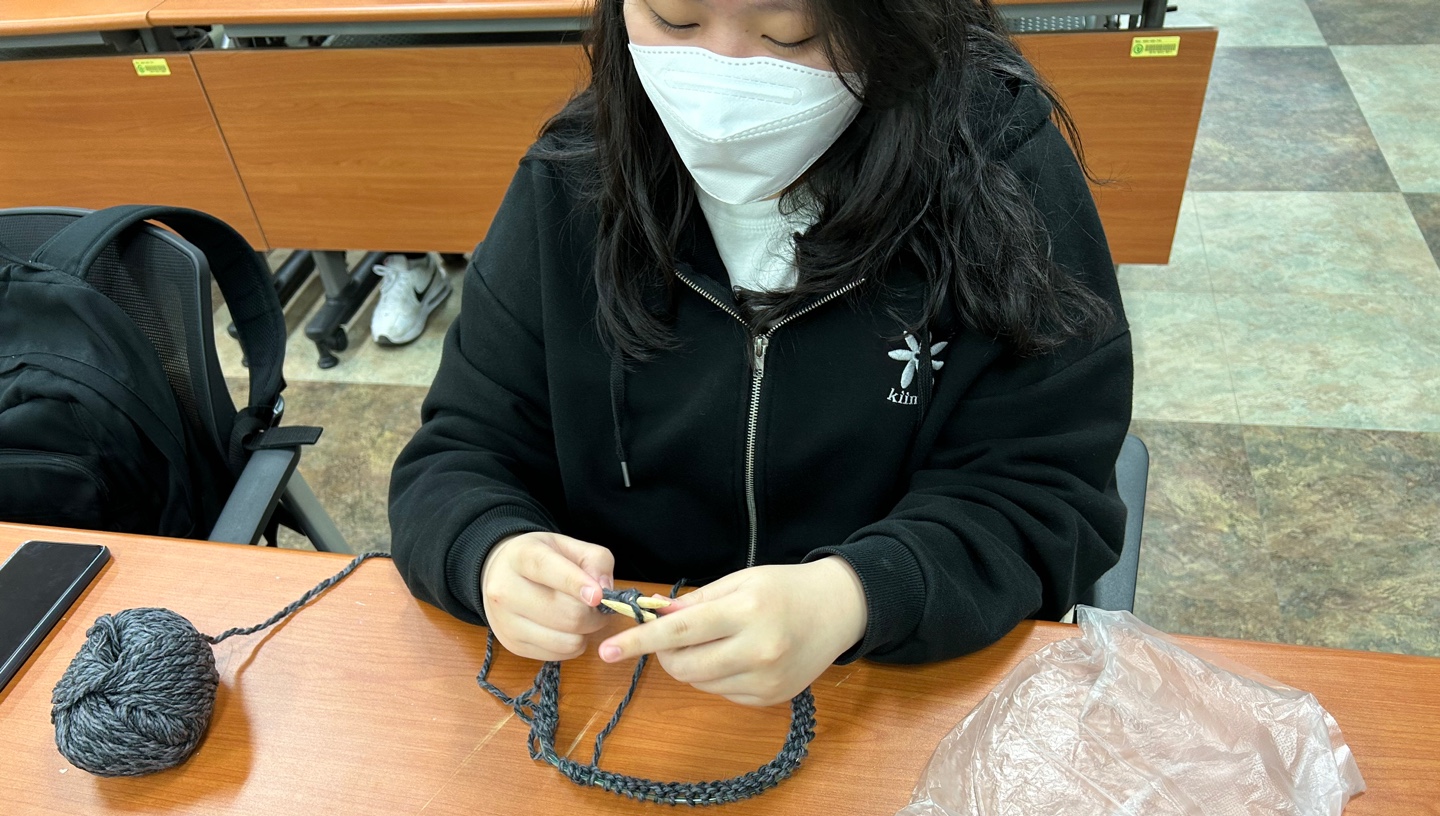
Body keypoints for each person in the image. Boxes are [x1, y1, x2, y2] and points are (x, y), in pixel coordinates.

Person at [389, 0, 1132, 707]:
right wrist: (491, 550)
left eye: (790, 33)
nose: (722, 84)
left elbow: (1044, 492)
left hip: (889, 687)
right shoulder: (571, 180)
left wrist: (854, 595)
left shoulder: (1002, 178)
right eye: (674, 18)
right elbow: (460, 452)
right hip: (630, 683)